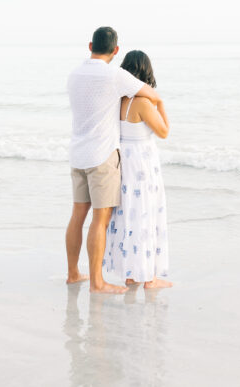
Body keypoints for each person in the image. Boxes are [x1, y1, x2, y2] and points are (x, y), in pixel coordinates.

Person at [66, 27, 161, 294]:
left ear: (90, 46)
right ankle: (97, 282)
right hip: (102, 156)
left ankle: (73, 273)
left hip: (77, 153)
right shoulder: (115, 75)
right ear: (116, 50)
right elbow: (151, 95)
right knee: (101, 219)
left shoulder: (74, 74)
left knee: (77, 215)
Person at [104, 50, 172, 290]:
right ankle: (149, 278)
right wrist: (160, 103)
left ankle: (131, 274)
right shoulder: (143, 102)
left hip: (124, 160)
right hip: (142, 162)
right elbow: (164, 132)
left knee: (129, 214)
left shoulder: (118, 100)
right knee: (146, 212)